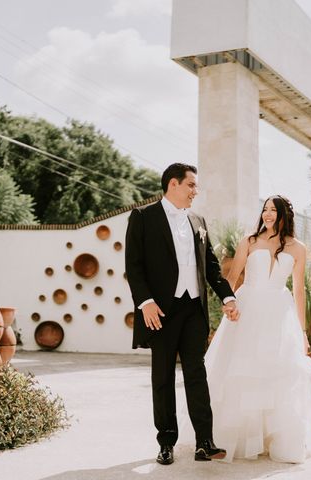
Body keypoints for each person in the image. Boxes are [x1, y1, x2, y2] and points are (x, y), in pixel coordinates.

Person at [125, 163, 239, 466]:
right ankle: (166, 443)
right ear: (173, 184)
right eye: (191, 185)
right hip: (160, 310)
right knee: (162, 377)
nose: (195, 191)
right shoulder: (143, 217)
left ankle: (205, 441)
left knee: (196, 374)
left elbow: (210, 265)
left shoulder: (198, 220)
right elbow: (133, 265)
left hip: (193, 309)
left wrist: (227, 295)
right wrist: (145, 302)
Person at [205, 195, 311, 463]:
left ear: (284, 215)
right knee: (241, 371)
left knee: (277, 373)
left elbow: (299, 290)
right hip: (247, 309)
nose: (268, 214)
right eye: (265, 209)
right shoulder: (249, 241)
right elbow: (232, 277)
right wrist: (228, 304)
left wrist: (302, 331)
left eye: (273, 210)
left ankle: (274, 439)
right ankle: (239, 438)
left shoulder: (298, 248)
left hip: (279, 313)